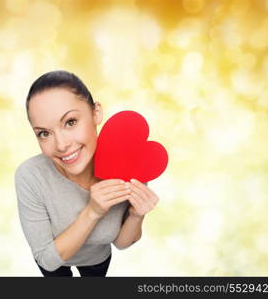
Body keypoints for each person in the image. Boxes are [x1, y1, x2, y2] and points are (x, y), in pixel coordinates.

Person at [14, 70, 159, 277]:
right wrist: (92, 212)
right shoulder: (30, 176)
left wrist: (137, 215)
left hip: (97, 259)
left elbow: (121, 243)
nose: (62, 145)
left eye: (70, 122)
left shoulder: (129, 164)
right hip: (56, 263)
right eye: (44, 133)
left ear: (96, 113)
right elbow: (47, 259)